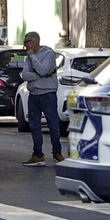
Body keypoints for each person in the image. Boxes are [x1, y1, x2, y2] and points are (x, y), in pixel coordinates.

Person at [20, 31, 64, 165]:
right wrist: (41, 75)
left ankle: (57, 152)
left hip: (47, 93)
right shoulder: (28, 58)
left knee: (52, 124)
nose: (25, 47)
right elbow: (25, 75)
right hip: (34, 94)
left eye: (26, 43)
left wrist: (33, 58)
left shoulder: (48, 53)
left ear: (33, 42)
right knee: (34, 125)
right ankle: (38, 154)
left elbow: (42, 69)